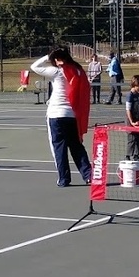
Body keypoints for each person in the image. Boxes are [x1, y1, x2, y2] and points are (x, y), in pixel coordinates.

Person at [30, 46, 93, 187]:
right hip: (72, 114)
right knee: (77, 146)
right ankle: (88, 175)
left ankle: (64, 179)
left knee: (59, 147)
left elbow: (34, 66)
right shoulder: (77, 70)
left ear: (56, 59)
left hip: (56, 114)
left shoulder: (57, 71)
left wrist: (48, 56)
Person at [125, 74, 139, 162]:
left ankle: (136, 156)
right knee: (132, 139)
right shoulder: (130, 95)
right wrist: (132, 122)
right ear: (135, 84)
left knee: (138, 138)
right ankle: (128, 156)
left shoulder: (138, 95)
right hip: (131, 120)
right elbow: (128, 110)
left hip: (138, 119)